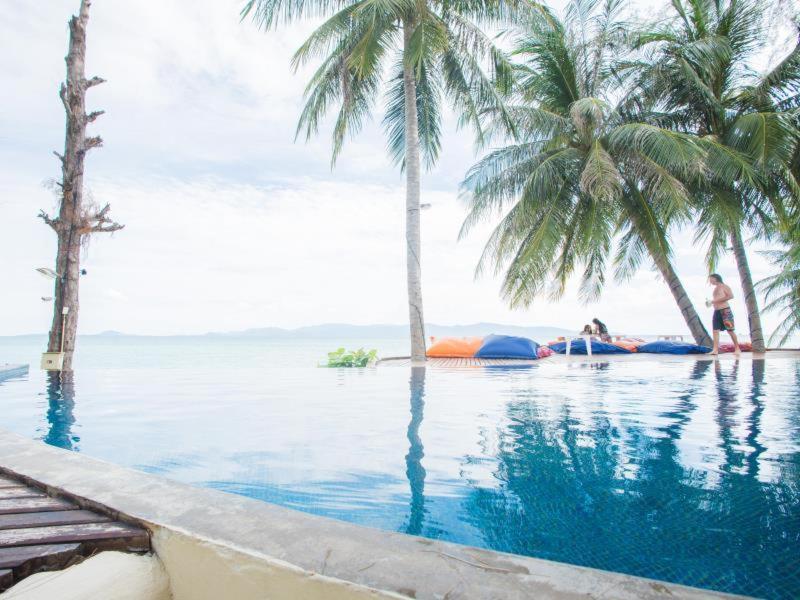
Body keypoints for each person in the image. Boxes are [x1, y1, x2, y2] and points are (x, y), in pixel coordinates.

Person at [706, 273, 741, 355]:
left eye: (711, 279)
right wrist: (711, 302)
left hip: (725, 311)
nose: (710, 281)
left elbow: (731, 296)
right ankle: (715, 350)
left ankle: (737, 348)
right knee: (715, 331)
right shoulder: (715, 288)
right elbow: (717, 299)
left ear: (716, 278)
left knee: (730, 330)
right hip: (717, 311)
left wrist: (714, 301)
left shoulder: (724, 286)